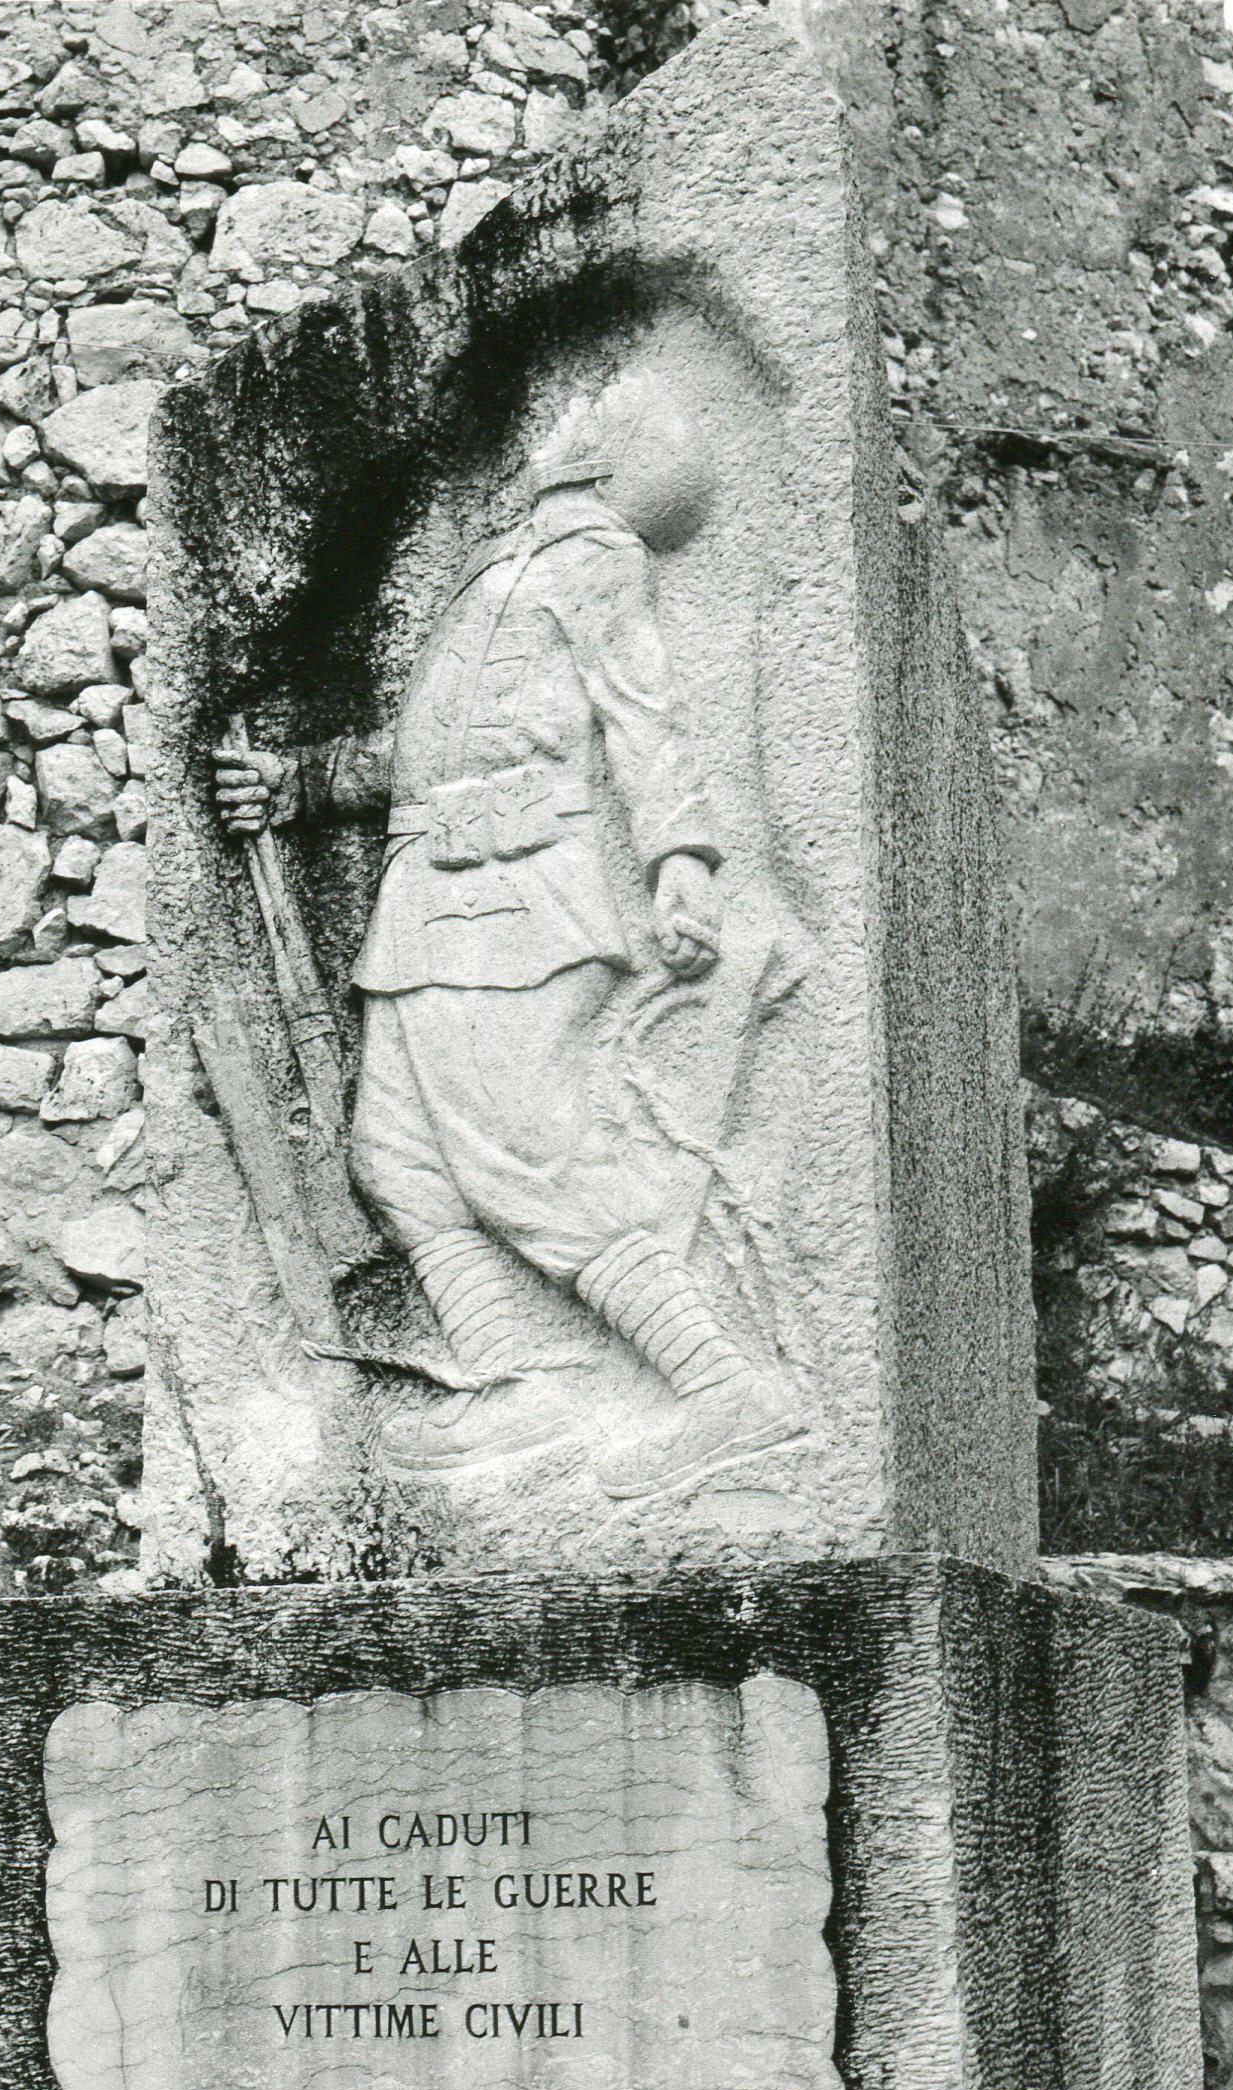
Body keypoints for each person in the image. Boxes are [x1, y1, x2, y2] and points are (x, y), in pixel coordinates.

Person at [215, 371, 803, 1502]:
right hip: (430, 895)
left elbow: (644, 718)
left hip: (513, 899)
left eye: (583, 410)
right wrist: (294, 782)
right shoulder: (504, 564)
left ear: (606, 457)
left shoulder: (595, 558)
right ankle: (516, 1375)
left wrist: (678, 863)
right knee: (396, 1161)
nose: (557, 417)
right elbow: (434, 751)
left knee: (528, 1160)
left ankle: (723, 1383)